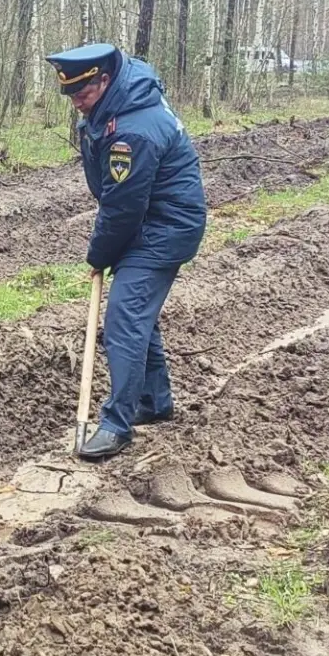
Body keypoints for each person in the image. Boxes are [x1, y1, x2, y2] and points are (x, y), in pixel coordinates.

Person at [46, 43, 206, 462]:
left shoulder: (133, 128)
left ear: (105, 79)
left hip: (164, 229)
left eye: (83, 94)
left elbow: (122, 207)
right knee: (138, 317)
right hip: (148, 223)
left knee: (123, 319)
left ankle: (117, 423)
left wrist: (98, 255)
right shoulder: (118, 106)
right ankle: (153, 401)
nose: (78, 103)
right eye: (71, 96)